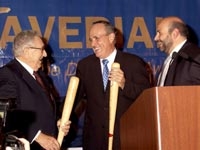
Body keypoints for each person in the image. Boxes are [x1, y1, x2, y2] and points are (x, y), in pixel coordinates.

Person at [74, 20, 152, 150]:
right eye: (91, 40)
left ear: (111, 37)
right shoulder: (85, 65)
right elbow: (75, 99)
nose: (93, 44)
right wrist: (61, 119)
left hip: (126, 138)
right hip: (94, 140)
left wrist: (124, 84)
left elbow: (146, 99)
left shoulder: (133, 63)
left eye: (97, 38)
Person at [0, 30, 71, 150]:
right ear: (27, 51)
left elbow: (46, 108)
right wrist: (37, 136)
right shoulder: (7, 74)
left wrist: (58, 122)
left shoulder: (41, 76)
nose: (45, 55)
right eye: (42, 49)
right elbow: (6, 115)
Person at [155, 16, 200, 86]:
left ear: (175, 34)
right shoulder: (170, 59)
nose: (155, 38)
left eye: (159, 33)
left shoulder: (194, 57)